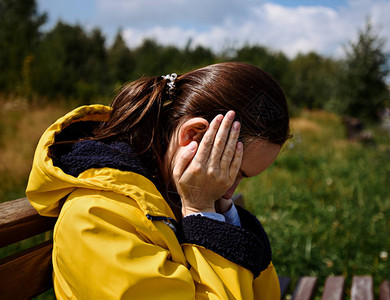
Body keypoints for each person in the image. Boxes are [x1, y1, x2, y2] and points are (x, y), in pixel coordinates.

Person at [26, 62, 290, 299]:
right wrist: (202, 215)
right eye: (237, 172)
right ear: (194, 135)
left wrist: (221, 219)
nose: (230, 191)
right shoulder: (96, 218)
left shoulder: (173, 192)